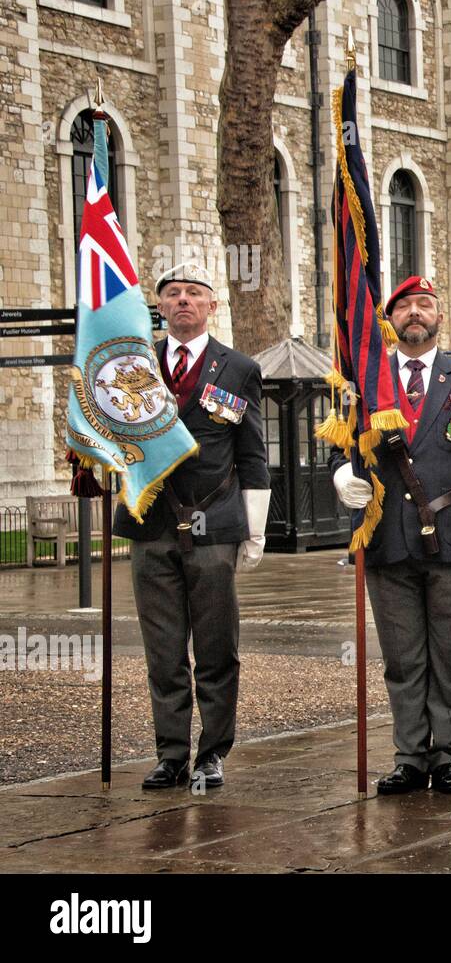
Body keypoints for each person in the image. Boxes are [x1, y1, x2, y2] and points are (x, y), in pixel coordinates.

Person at [332, 276, 451, 795]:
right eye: (405, 305)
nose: (416, 313)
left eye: (425, 304)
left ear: (440, 316)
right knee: (403, 657)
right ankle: (409, 756)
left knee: (450, 657)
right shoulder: (367, 380)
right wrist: (343, 477)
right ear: (389, 319)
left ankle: (448, 756)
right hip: (387, 537)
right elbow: (338, 446)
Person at [114, 260, 270, 790]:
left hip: (214, 524)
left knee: (215, 645)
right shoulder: (132, 364)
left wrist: (255, 529)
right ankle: (171, 752)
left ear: (212, 306)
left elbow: (252, 454)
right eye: (173, 293)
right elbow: (116, 436)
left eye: (194, 293)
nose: (183, 300)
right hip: (150, 523)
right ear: (160, 307)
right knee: (162, 649)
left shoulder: (239, 368)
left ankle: (212, 753)